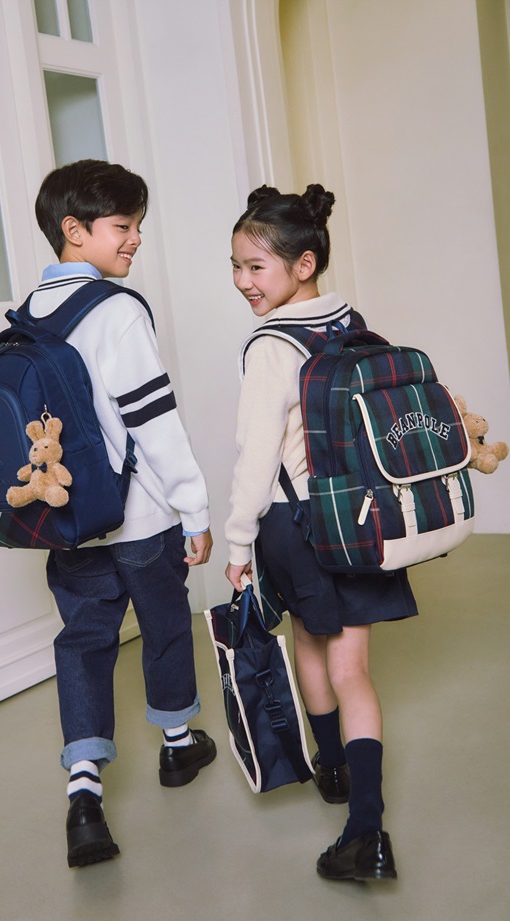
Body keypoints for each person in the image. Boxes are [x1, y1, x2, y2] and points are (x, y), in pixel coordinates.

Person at [224, 184, 418, 881]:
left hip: (297, 522)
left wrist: (237, 542)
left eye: (256, 266)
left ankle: (331, 767)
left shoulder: (270, 345)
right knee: (353, 667)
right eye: (236, 266)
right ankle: (367, 824)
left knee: (309, 639)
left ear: (302, 264)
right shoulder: (348, 319)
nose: (243, 281)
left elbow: (255, 457)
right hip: (362, 517)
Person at [32, 159, 216, 868]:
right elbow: (154, 421)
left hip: (71, 522)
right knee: (164, 625)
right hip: (139, 519)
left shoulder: (28, 314)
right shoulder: (117, 310)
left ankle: (84, 793)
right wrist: (193, 506)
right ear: (74, 230)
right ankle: (177, 745)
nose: (136, 238)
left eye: (138, 225)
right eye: (123, 225)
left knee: (83, 641)